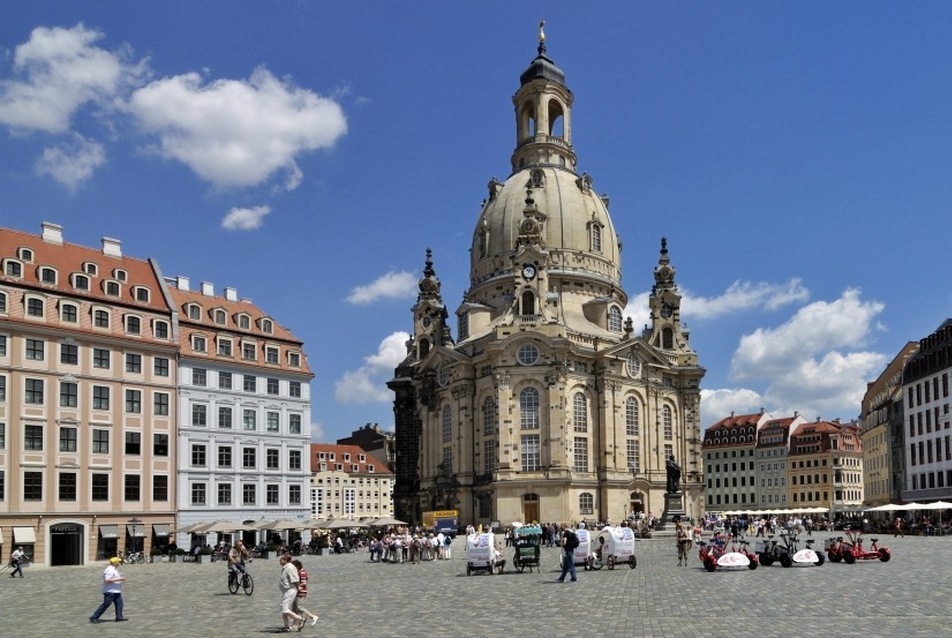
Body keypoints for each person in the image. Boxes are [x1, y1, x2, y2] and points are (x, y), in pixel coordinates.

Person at [89, 556, 127, 623]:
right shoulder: (109, 570)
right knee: (106, 604)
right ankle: (94, 617)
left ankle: (119, 617)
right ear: (115, 563)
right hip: (110, 591)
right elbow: (107, 580)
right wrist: (119, 579)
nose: (119, 563)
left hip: (116, 590)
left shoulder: (114, 569)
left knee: (119, 603)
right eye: (119, 562)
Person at [277, 553, 304, 632]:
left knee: (285, 610)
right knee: (284, 609)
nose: (279, 561)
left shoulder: (290, 567)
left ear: (285, 560)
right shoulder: (286, 567)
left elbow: (295, 580)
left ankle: (299, 619)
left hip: (290, 590)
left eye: (281, 559)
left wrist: (298, 588)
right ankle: (287, 626)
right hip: (286, 591)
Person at [291, 559, 319, 629]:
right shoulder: (299, 572)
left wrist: (298, 586)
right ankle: (297, 623)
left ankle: (312, 616)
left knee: (299, 607)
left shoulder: (302, 572)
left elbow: (304, 582)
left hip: (301, 592)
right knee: (294, 608)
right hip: (297, 591)